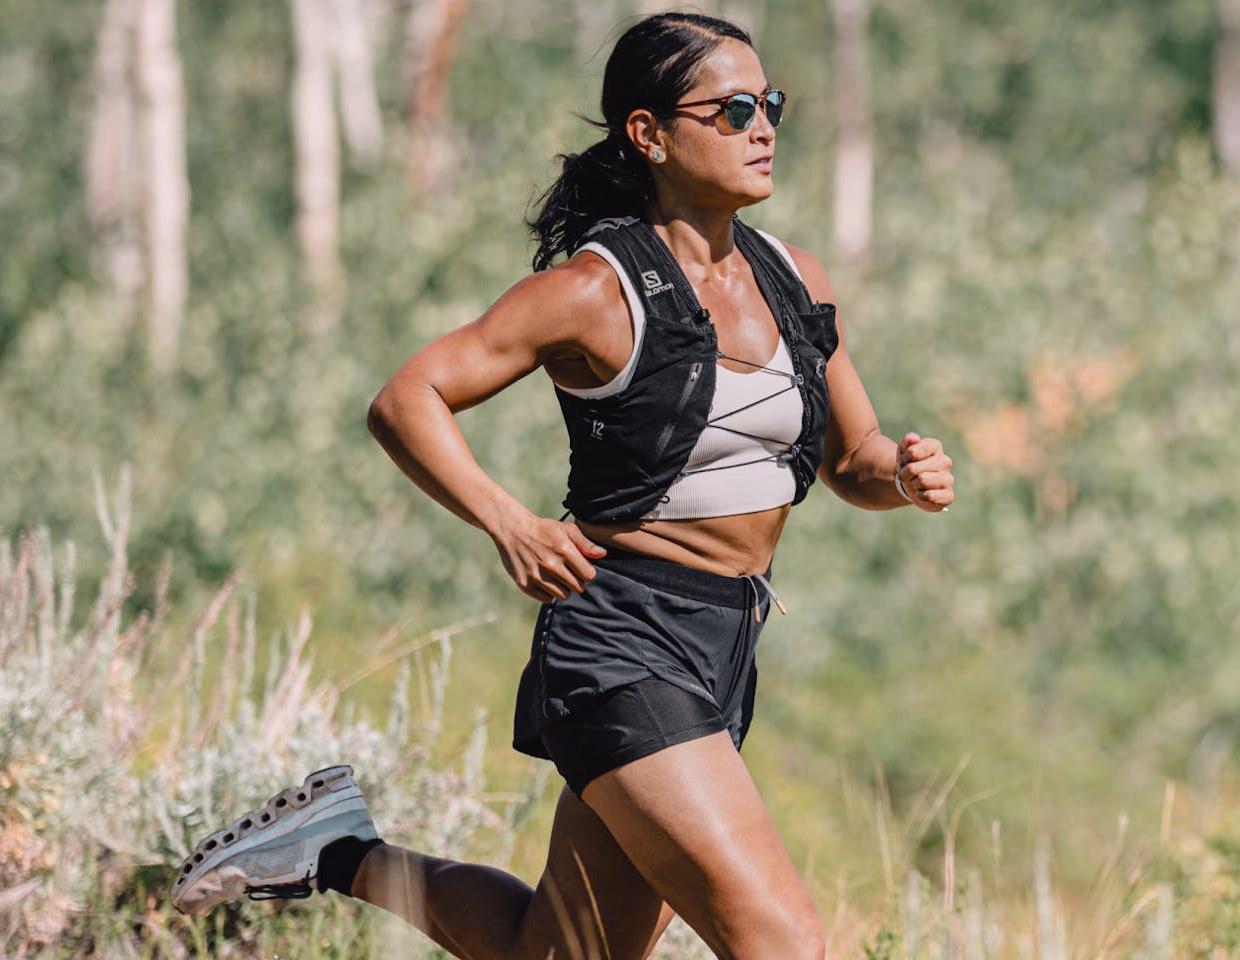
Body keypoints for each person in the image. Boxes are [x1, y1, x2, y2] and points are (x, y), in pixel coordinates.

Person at [170, 12, 954, 959]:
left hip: (724, 640)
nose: (764, 126)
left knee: (563, 952)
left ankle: (334, 851)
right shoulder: (596, 291)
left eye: (771, 103)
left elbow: (852, 456)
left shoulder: (796, 278)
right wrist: (509, 521)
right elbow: (405, 397)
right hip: (623, 642)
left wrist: (900, 477)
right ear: (648, 134)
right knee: (780, 942)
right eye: (735, 107)